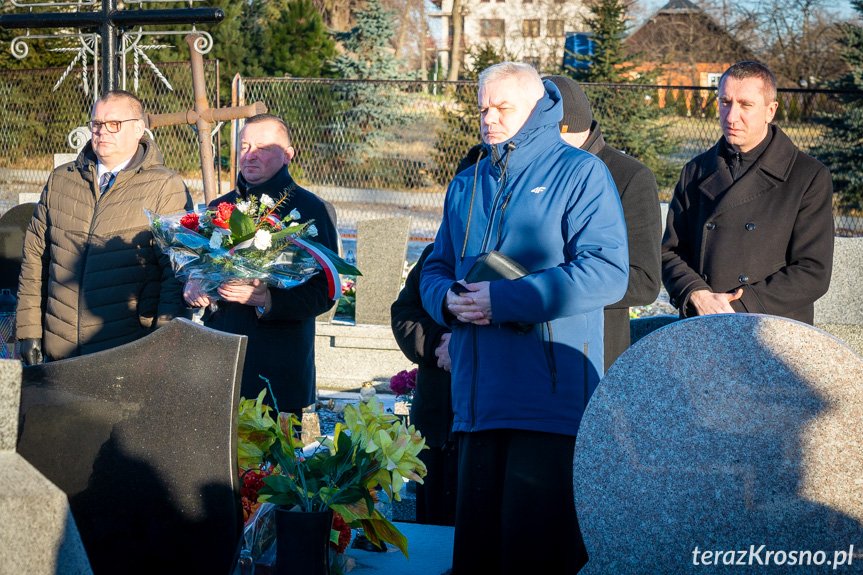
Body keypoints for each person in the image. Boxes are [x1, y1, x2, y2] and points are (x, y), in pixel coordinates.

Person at [420, 62, 629, 574]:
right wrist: (446, 299)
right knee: (477, 558)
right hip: (476, 399)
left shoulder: (581, 173)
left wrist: (505, 301)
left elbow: (608, 272)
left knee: (534, 558)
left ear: (537, 107)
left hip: (547, 403)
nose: (488, 118)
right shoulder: (467, 183)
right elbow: (435, 268)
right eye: (482, 108)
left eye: (501, 108)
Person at [16, 90, 192, 364]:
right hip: (59, 348)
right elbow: (35, 260)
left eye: (114, 124)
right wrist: (28, 329)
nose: (102, 132)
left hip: (127, 349)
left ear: (138, 128)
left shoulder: (165, 186)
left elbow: (176, 270)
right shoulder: (62, 180)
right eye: (97, 124)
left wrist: (165, 343)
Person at [183, 114, 339, 418]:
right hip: (220, 366)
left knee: (272, 466)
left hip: (277, 374)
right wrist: (192, 282)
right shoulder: (219, 207)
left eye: (263, 147)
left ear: (288, 155)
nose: (250, 154)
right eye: (244, 146)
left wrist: (267, 300)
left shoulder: (310, 210)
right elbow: (195, 265)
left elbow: (326, 290)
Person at [662, 61, 834, 324]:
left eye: (745, 105)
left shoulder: (808, 176)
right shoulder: (695, 171)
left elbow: (813, 271)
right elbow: (670, 252)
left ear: (770, 110)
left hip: (772, 332)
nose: (731, 116)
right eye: (725, 102)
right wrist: (696, 294)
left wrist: (740, 304)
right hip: (702, 325)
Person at [390, 243, 458, 527]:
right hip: (435, 424)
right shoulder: (437, 253)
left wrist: (469, 347)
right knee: (434, 528)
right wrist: (439, 343)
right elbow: (405, 314)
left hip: (493, 427)